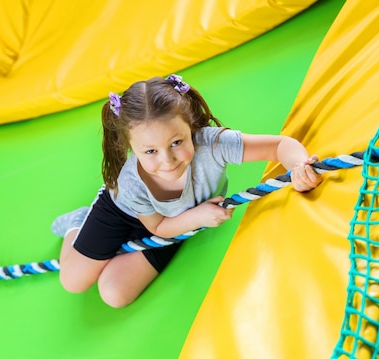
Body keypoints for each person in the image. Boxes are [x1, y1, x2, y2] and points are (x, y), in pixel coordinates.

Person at [51, 74, 323, 308]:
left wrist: (299, 166)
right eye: (150, 151)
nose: (167, 161)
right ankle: (77, 222)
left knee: (114, 294)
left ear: (190, 126)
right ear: (131, 149)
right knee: (72, 281)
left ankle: (124, 248)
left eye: (177, 142)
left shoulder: (213, 144)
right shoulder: (130, 181)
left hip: (174, 219)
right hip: (126, 213)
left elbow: (279, 146)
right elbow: (158, 227)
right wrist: (198, 218)